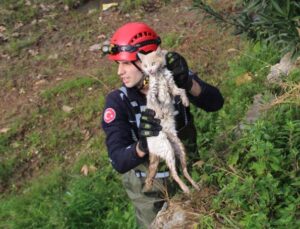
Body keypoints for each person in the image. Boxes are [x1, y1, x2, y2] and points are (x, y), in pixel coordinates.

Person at [101, 22, 224, 228]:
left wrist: (187, 82)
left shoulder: (172, 79)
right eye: (118, 65)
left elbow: (215, 103)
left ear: (146, 59)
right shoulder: (118, 101)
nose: (119, 72)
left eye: (125, 64)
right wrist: (142, 145)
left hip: (189, 172)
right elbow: (118, 161)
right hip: (149, 191)